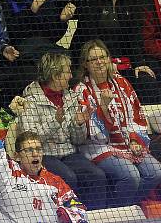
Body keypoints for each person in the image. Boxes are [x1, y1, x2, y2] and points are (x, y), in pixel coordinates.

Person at [73, 40, 161, 208]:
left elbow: (136, 115)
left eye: (103, 57)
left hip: (128, 143)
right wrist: (103, 107)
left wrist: (135, 140)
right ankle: (120, 211)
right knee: (131, 175)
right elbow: (93, 134)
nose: (99, 62)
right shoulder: (81, 90)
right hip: (98, 147)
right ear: (85, 64)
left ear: (109, 59)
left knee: (156, 172)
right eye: (93, 59)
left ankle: (126, 206)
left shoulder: (121, 83)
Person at [18, 52, 107, 210]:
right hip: (44, 154)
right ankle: (68, 217)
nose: (71, 75)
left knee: (97, 176)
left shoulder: (71, 97)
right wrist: (54, 122)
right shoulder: (30, 100)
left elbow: (78, 141)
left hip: (69, 152)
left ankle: (93, 217)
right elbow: (29, 139)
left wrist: (79, 124)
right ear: (55, 75)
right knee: (68, 177)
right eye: (67, 71)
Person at [0, 96, 89, 222]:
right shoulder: (6, 176)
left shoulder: (55, 182)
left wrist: (69, 215)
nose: (35, 154)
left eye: (38, 149)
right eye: (28, 150)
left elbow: (79, 210)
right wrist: (8, 114)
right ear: (17, 155)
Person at [72, 0, 159, 99]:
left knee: (147, 79)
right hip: (94, 60)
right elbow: (88, 36)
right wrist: (103, 61)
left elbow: (134, 34)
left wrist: (138, 63)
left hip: (123, 59)